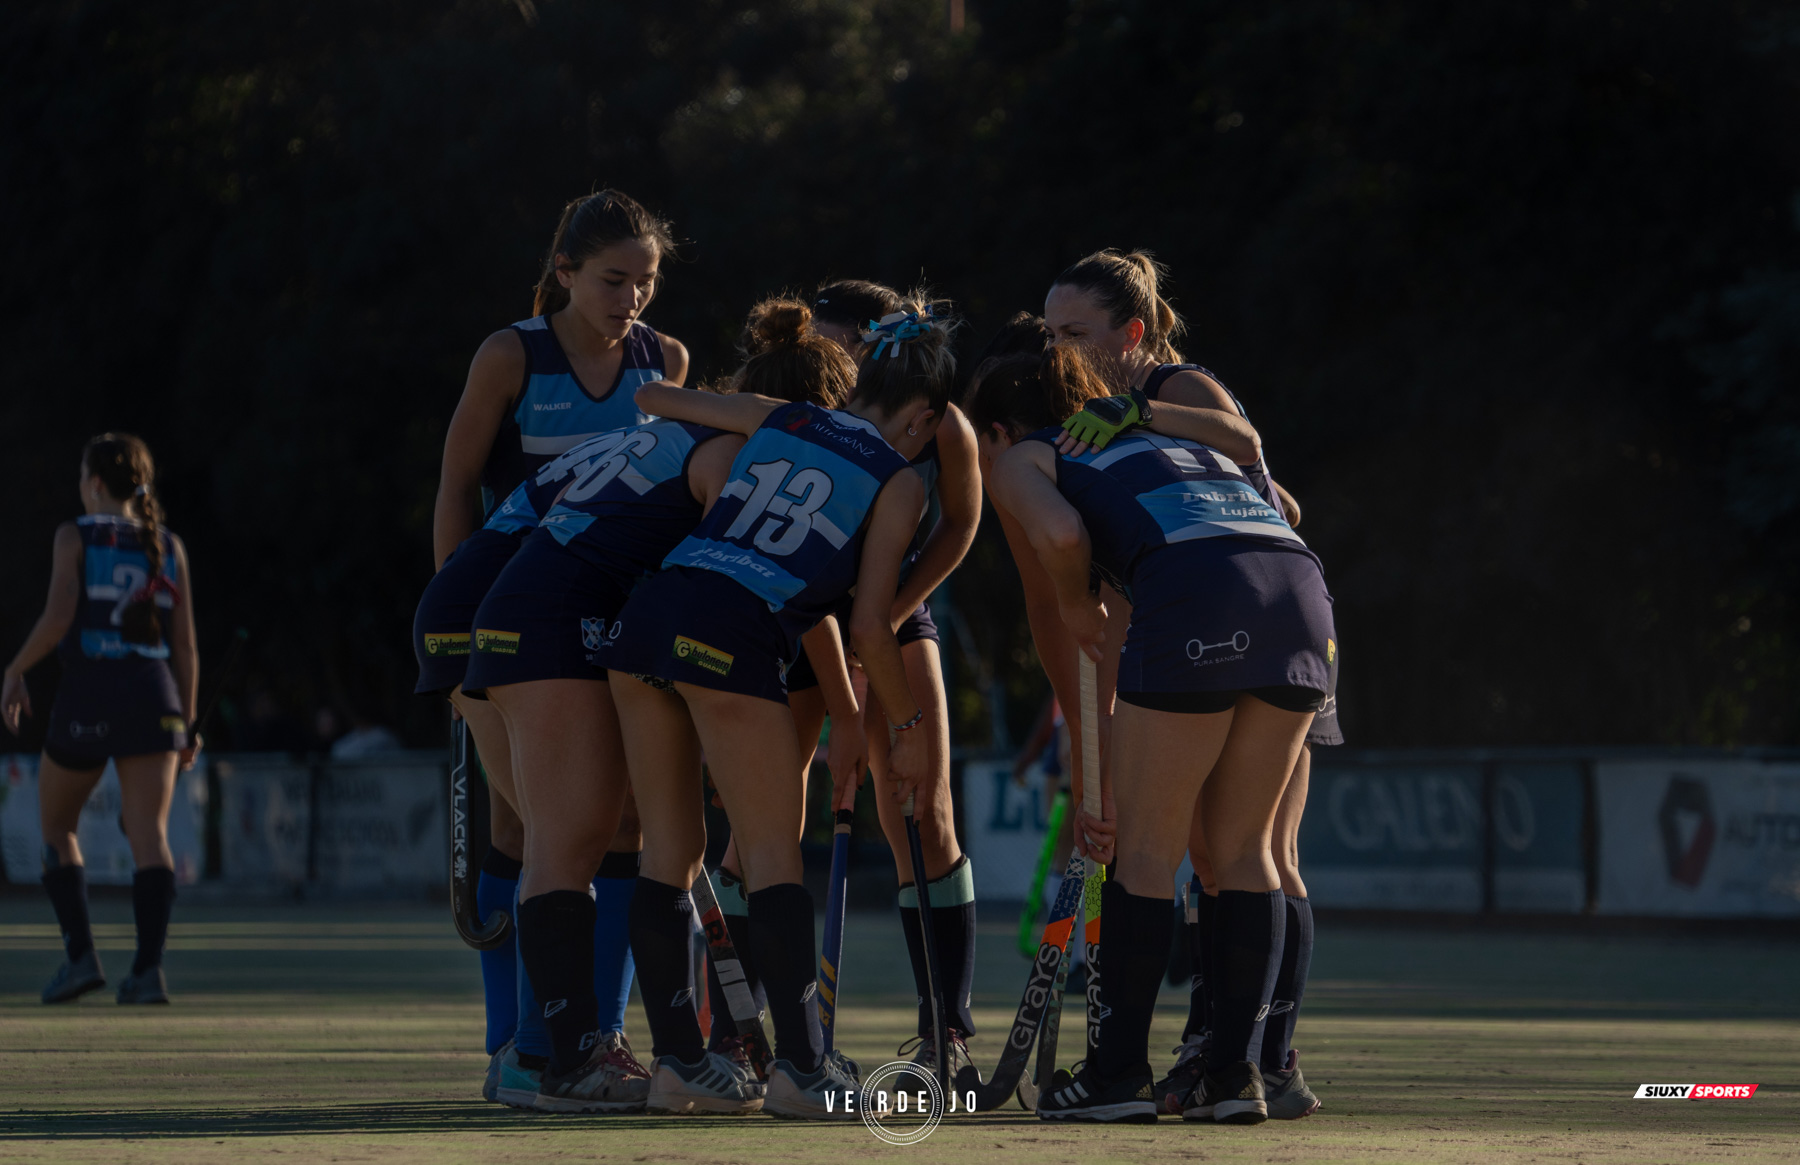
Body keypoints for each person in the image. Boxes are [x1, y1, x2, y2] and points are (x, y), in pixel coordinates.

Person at [465, 298, 864, 1115]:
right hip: (551, 617)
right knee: (576, 840)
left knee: (615, 841)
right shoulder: (740, 451)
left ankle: (604, 1054)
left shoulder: (687, 425)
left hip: (537, 606)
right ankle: (575, 1060)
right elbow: (739, 569)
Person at [602, 295, 955, 1119]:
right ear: (926, 416)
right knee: (771, 856)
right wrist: (900, 726)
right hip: (733, 628)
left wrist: (755, 421)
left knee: (669, 854)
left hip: (651, 614)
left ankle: (680, 1063)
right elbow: (869, 624)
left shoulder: (789, 417)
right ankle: (802, 1066)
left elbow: (654, 398)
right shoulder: (900, 479)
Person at [971, 343, 1333, 1125]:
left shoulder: (1026, 455)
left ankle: (1116, 1078)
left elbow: (1062, 537)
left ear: (996, 428)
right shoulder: (1172, 440)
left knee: (1143, 848)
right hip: (1301, 596)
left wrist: (1075, 603)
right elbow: (1285, 506)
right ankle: (1233, 1078)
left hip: (1198, 598)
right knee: (1249, 852)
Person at [419, 188, 687, 1102]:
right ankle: (521, 1043)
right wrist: (468, 632)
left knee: (619, 822)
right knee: (531, 823)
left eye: (646, 282)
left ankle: (593, 1037)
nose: (632, 300)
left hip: (607, 622)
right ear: (566, 271)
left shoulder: (666, 362)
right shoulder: (512, 355)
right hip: (511, 620)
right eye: (614, 279)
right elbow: (457, 490)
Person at [2, 434, 198, 1006]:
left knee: (56, 828)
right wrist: (186, 722)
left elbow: (60, 614)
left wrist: (15, 668)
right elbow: (185, 649)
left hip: (90, 695)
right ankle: (147, 971)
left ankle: (81, 957)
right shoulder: (170, 545)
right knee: (149, 837)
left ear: (93, 484)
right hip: (154, 698)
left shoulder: (75, 534)